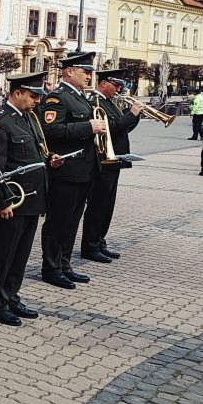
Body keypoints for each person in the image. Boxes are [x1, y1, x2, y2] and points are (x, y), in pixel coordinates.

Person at [0, 72, 63, 325]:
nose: (38, 100)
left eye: (39, 95)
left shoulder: (30, 119)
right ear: (17, 93)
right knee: (3, 254)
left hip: (33, 199)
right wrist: (1, 200)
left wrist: (51, 159)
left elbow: (36, 153)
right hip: (13, 202)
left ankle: (11, 296)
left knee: (21, 255)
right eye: (33, 95)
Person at [36, 52, 105, 289]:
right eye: (85, 71)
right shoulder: (57, 98)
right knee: (58, 221)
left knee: (72, 220)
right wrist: (88, 126)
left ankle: (64, 264)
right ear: (69, 71)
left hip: (83, 169)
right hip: (65, 170)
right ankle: (51, 268)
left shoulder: (81, 97)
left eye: (90, 71)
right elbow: (51, 130)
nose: (89, 75)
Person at [80, 71, 141, 263]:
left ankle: (99, 241)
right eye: (116, 85)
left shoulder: (110, 102)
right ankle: (90, 246)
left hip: (114, 161)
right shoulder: (95, 103)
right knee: (97, 205)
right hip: (102, 162)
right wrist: (131, 114)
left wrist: (134, 116)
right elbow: (110, 127)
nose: (119, 89)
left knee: (107, 206)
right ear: (104, 83)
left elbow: (122, 127)